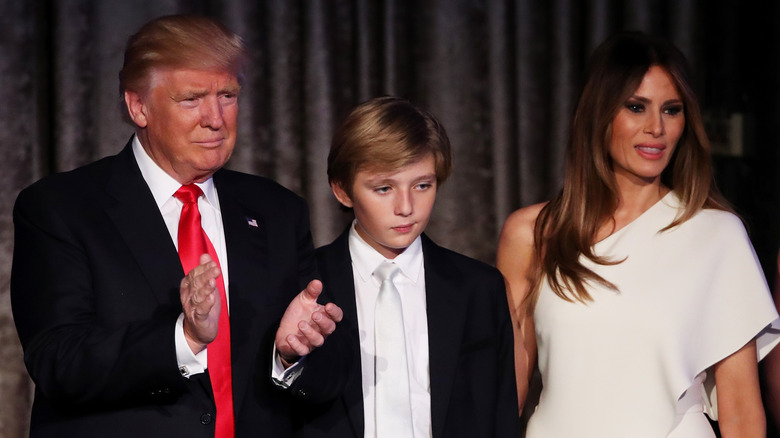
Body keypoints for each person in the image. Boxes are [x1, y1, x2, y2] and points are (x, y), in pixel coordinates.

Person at [11, 15, 351, 438]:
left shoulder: (278, 210)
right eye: (192, 99)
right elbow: (59, 362)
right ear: (139, 107)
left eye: (227, 95)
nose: (215, 118)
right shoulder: (61, 208)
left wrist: (291, 356)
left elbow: (328, 383)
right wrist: (183, 337)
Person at [496, 31, 780, 437]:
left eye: (671, 110)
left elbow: (741, 413)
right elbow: (508, 391)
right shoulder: (533, 233)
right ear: (599, 114)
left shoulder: (717, 235)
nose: (656, 128)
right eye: (636, 107)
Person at [292, 96, 520, 437]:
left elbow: (498, 416)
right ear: (342, 190)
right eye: (384, 188)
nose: (406, 207)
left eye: (422, 186)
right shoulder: (302, 282)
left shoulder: (479, 288)